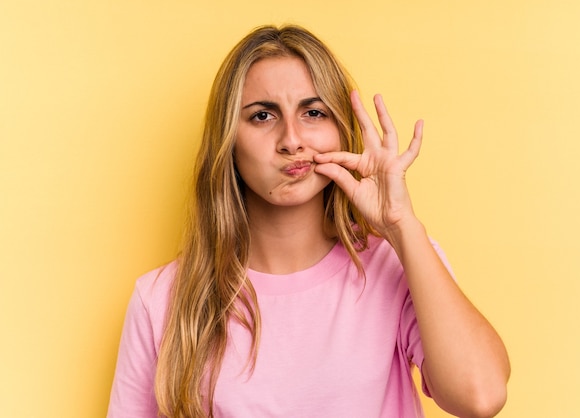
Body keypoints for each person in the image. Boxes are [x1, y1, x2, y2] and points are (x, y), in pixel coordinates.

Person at [107, 24, 510, 418]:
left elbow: (481, 396)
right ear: (228, 141)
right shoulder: (161, 299)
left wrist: (401, 224)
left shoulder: (399, 261)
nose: (292, 139)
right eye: (263, 116)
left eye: (313, 112)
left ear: (340, 129)